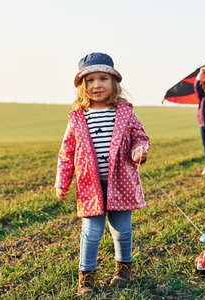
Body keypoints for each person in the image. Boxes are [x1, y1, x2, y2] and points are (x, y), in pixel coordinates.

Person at [55, 52, 150, 295]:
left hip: (121, 182)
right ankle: (86, 276)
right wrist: (62, 183)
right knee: (91, 231)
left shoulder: (125, 112)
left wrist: (140, 149)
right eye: (90, 80)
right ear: (81, 86)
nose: (97, 85)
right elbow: (66, 152)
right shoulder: (77, 118)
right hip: (90, 185)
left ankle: (123, 269)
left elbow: (139, 136)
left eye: (103, 79)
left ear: (114, 82)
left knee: (122, 229)